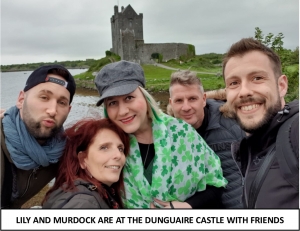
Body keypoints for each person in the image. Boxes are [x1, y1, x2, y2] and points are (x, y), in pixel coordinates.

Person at [94, 60, 228, 209]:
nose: (123, 111)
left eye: (129, 98)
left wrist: (188, 206)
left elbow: (216, 185)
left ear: (145, 97)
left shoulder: (182, 133)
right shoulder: (103, 147)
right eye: (112, 103)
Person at [222, 37, 299, 208]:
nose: (244, 92)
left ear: (281, 86)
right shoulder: (253, 148)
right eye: (234, 83)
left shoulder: (295, 132)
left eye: (257, 78)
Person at [1, 64, 76, 208]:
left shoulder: (63, 151)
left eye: (62, 102)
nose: (53, 110)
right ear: (21, 100)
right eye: (44, 97)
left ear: (69, 110)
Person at [168, 70, 246, 208]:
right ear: (171, 103)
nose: (186, 107)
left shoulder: (233, 123)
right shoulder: (166, 135)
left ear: (203, 99)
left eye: (192, 99)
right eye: (179, 100)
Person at [42, 118, 130, 208]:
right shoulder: (83, 203)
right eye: (104, 148)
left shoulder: (103, 194)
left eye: (120, 149)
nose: (118, 155)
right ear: (83, 159)